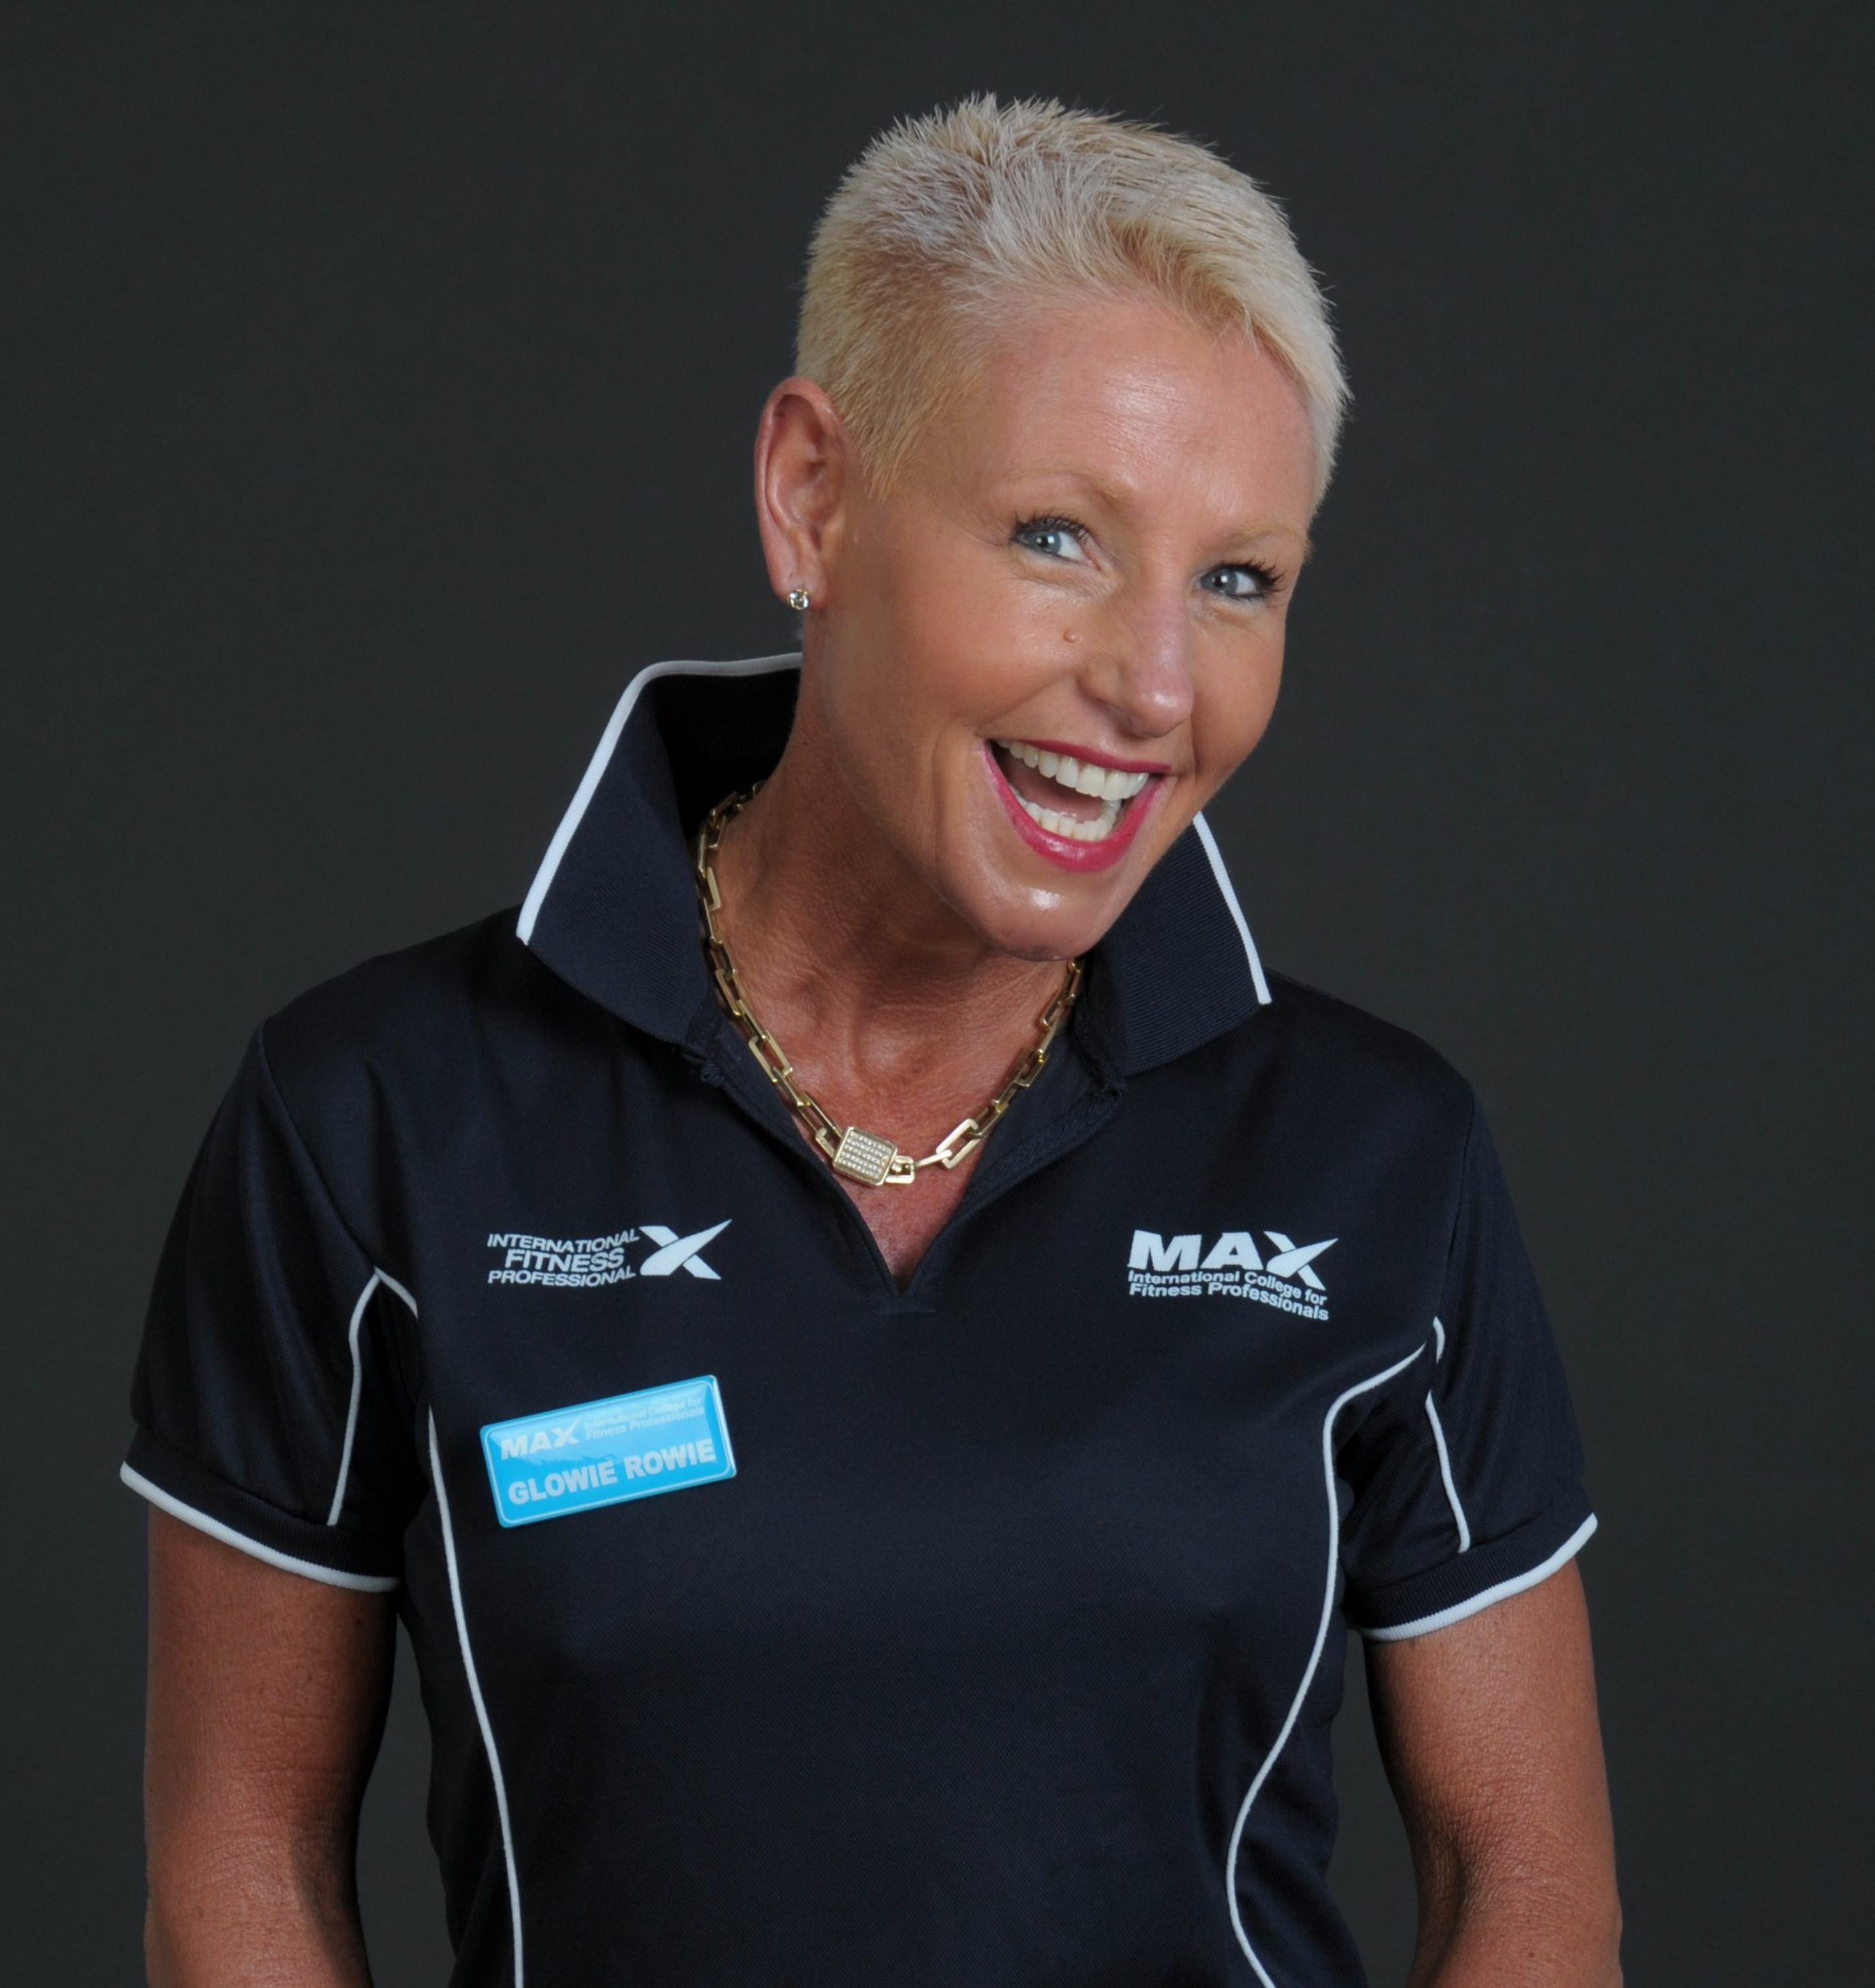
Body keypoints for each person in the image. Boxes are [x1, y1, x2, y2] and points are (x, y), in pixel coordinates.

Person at [125, 96, 1621, 1987]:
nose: (1157, 687)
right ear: (813, 497)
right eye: (1060, 537)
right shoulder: (373, 1122)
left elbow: (1527, 1885)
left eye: (1239, 580)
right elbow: (240, 1857)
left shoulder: (1377, 1154)